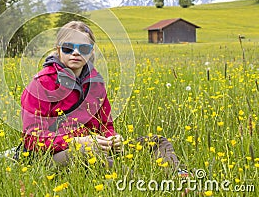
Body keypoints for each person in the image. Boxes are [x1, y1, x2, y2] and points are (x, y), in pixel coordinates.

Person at [21, 20, 182, 170]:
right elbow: (31, 138)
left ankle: (180, 178)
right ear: (58, 49)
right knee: (88, 153)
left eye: (83, 48)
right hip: (54, 156)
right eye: (68, 48)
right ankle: (137, 184)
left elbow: (105, 125)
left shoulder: (96, 83)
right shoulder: (41, 83)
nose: (76, 53)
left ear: (91, 52)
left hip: (96, 147)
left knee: (156, 141)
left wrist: (113, 139)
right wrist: (74, 142)